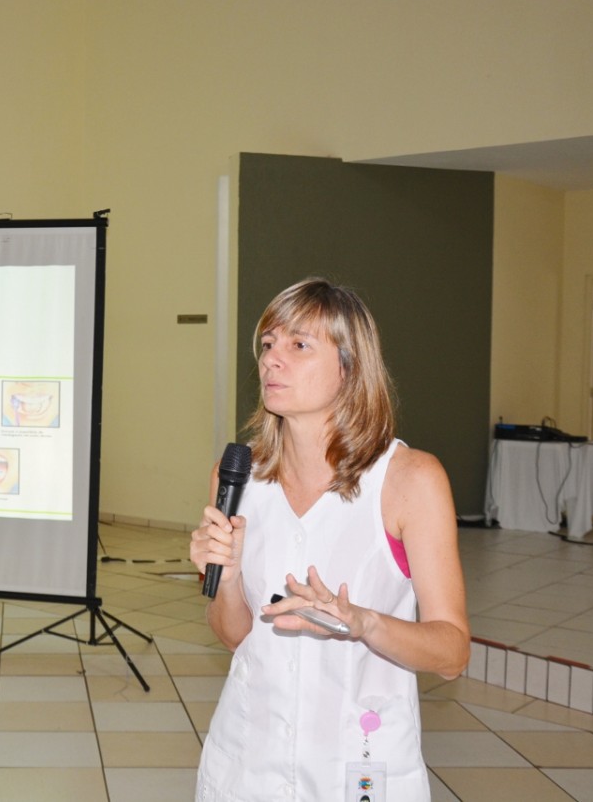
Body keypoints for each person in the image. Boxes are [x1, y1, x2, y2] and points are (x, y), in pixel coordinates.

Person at [189, 277, 470, 801]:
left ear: (349, 367)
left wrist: (362, 623)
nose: (272, 360)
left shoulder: (409, 480)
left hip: (356, 761)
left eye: (299, 345)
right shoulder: (239, 478)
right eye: (268, 343)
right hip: (249, 761)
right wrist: (226, 579)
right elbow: (234, 637)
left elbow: (452, 653)